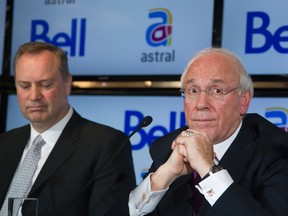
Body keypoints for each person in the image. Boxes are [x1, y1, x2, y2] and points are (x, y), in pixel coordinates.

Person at [128, 47, 288, 216]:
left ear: (243, 101)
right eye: (193, 91)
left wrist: (208, 169)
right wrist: (164, 176)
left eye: (217, 91)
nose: (201, 103)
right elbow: (130, 212)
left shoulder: (277, 151)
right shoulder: (167, 147)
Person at [0, 41, 136, 216]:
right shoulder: (4, 143)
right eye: (24, 86)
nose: (34, 96)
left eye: (46, 84)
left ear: (67, 83)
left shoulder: (107, 145)